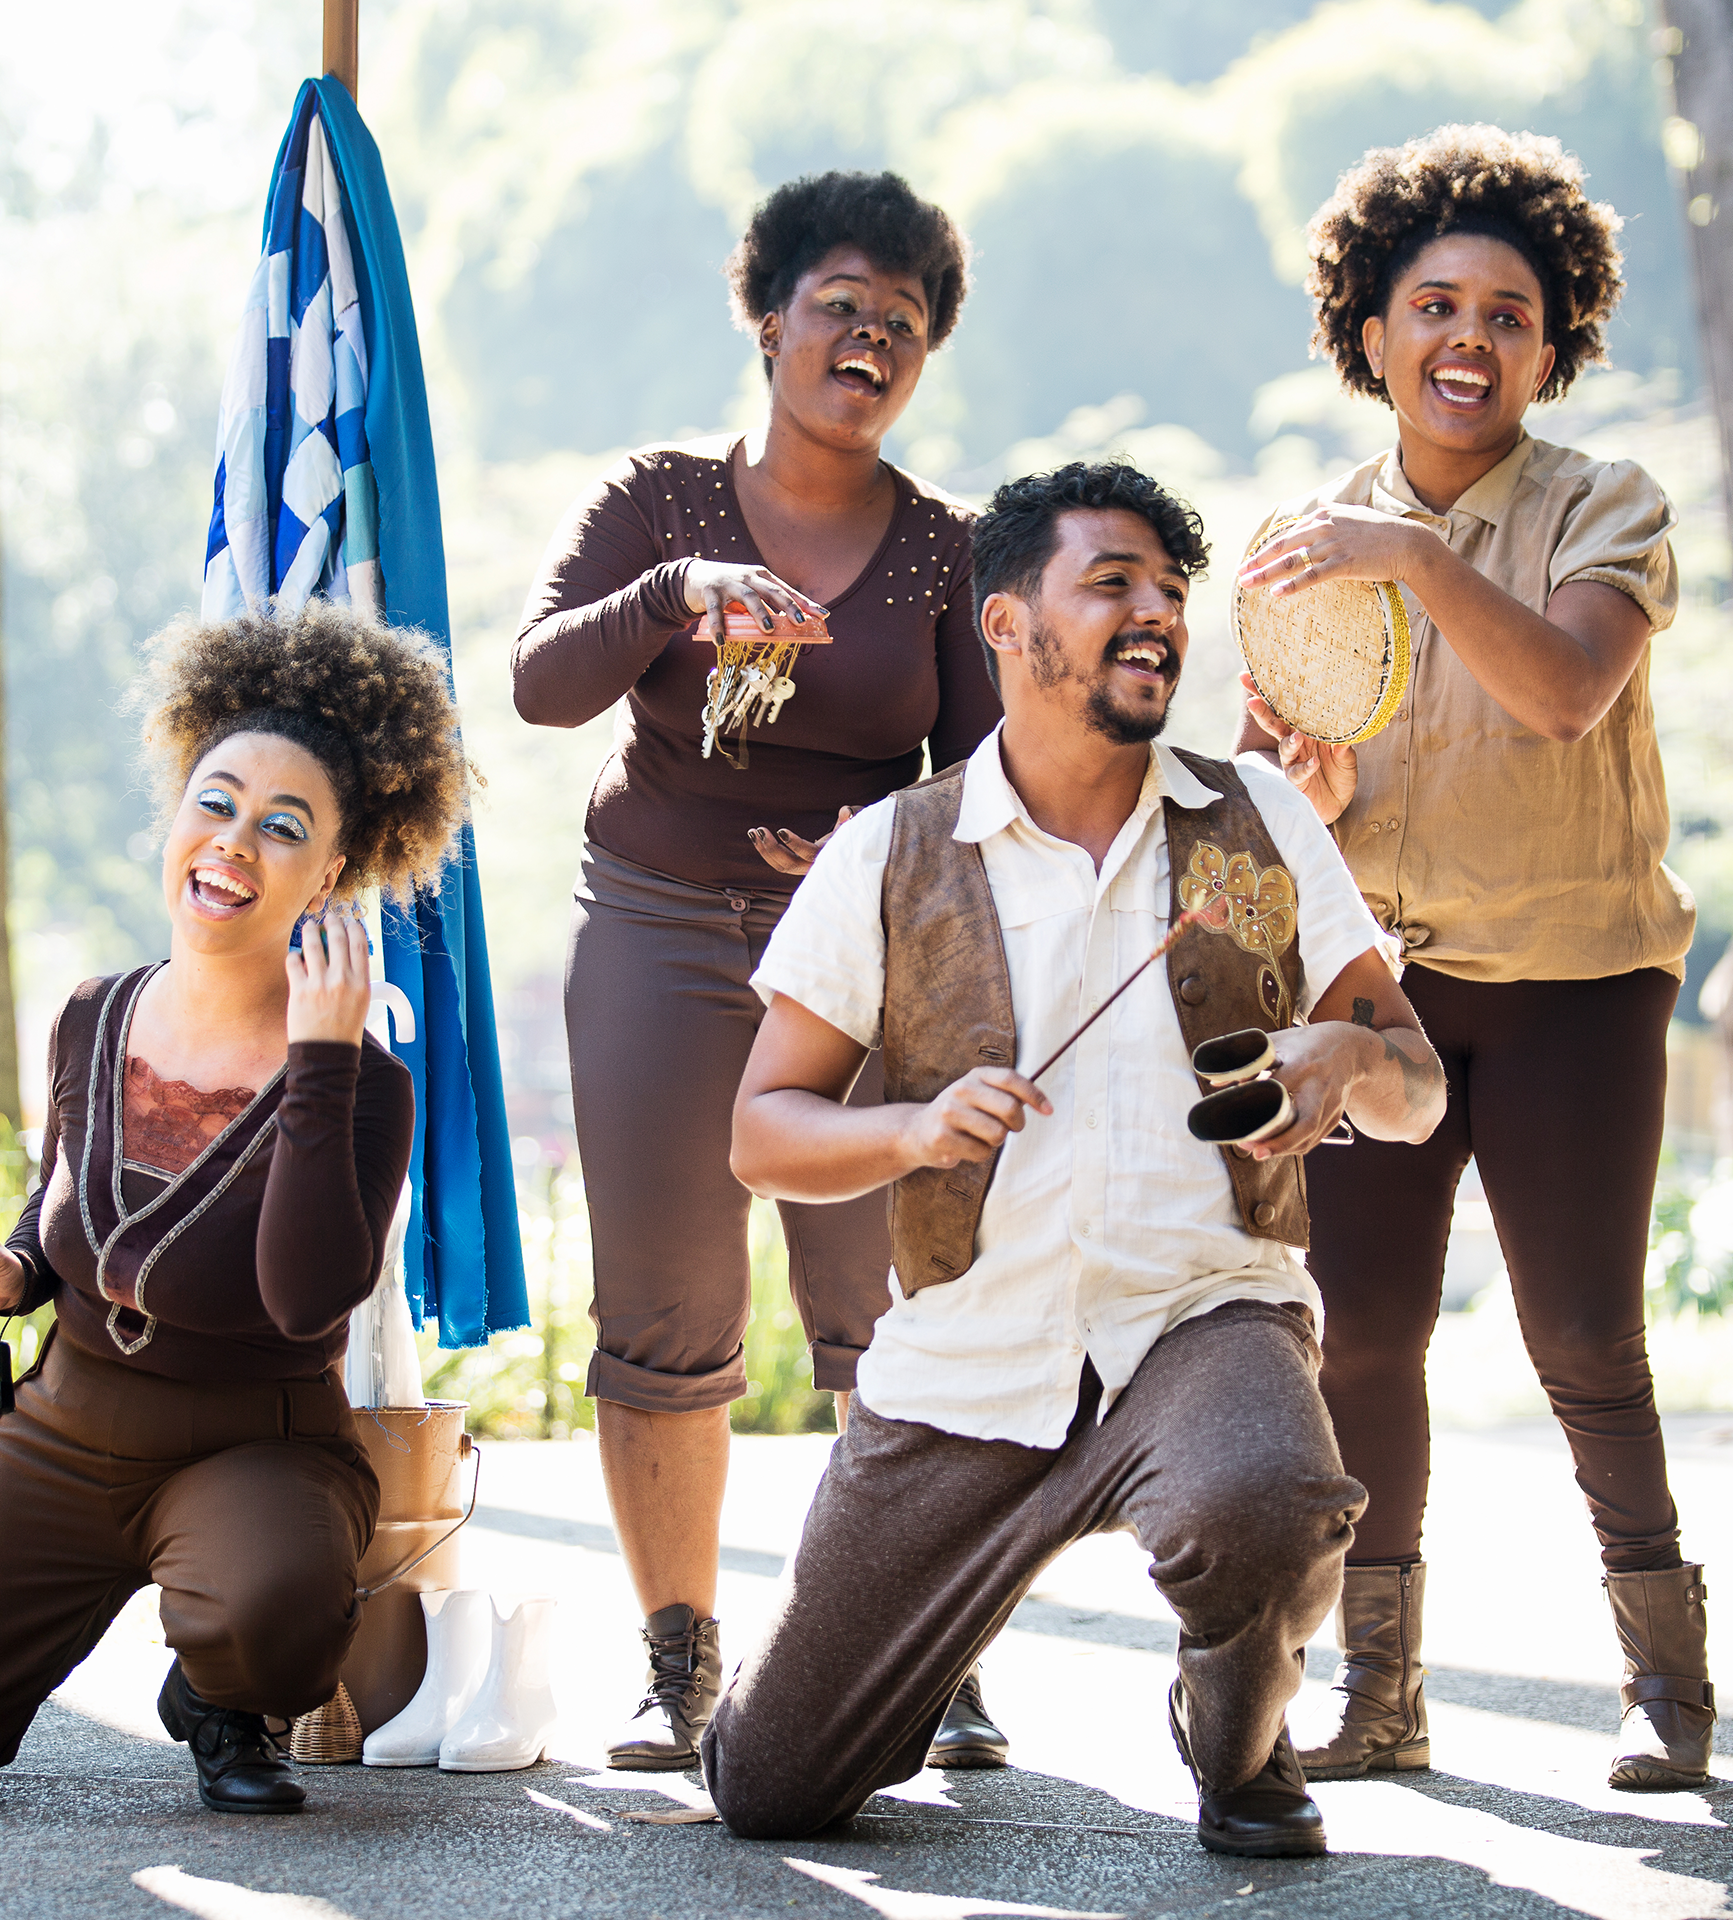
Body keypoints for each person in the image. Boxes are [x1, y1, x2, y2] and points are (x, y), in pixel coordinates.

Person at [704, 459, 1447, 1857]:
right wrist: (911, 1129)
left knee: (1270, 1497)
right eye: (1112, 585)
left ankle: (1237, 1736)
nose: (1156, 613)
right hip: (967, 1364)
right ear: (1005, 625)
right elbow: (764, 1133)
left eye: (1171, 591)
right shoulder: (887, 854)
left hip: (1200, 1317)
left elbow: (1414, 1092)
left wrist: (1346, 1058)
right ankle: (852, 1687)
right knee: (773, 1792)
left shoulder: (1264, 820)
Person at [1233, 124, 1714, 1791]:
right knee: (1362, 1332)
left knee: (1584, 1338)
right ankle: (1381, 1688)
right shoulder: (1306, 546)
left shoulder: (1607, 503)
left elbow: (1566, 691)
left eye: (1510, 313)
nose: (1468, 340)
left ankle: (1667, 1681)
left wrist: (1421, 562)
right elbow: (1275, 787)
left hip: (1579, 986)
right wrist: (1293, 786)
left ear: (1553, 343)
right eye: (1433, 304)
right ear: (1368, 329)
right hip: (1383, 997)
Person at [0, 601, 469, 1815]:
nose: (234, 844)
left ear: (329, 872)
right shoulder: (94, 1013)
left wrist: (321, 1065)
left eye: (283, 828)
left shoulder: (366, 1083)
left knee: (271, 1614)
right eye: (215, 804)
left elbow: (307, 1293)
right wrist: (6, 1273)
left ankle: (223, 1695)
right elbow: (64, 1205)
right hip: (65, 1431)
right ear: (176, 816)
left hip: (255, 1443)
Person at [512, 170, 1004, 1770]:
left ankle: (920, 1651)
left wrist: (867, 860)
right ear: (771, 319)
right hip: (658, 926)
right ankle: (680, 1667)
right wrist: (669, 600)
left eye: (904, 325)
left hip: (855, 965)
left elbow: (977, 789)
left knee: (889, 1309)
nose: (869, 340)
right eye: (841, 307)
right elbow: (534, 685)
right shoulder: (658, 502)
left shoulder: (948, 553)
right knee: (667, 1309)